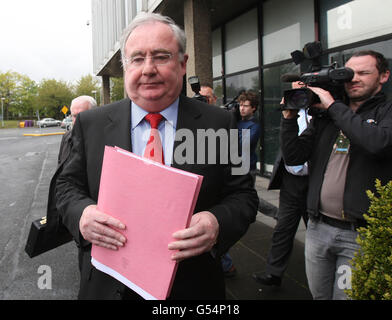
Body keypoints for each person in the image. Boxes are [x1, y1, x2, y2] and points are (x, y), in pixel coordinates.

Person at [56, 12, 258, 300]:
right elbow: (66, 188)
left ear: (183, 63)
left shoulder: (220, 123)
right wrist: (82, 214)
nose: (148, 69)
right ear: (126, 66)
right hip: (106, 285)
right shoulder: (91, 124)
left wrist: (216, 223)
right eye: (137, 59)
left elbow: (244, 197)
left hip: (192, 288)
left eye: (161, 56)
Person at [280, 50, 392, 299]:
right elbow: (294, 157)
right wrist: (289, 118)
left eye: (364, 73)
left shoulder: (385, 112)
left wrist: (334, 105)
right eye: (350, 74)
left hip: (359, 234)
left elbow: (377, 143)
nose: (354, 79)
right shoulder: (327, 117)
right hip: (318, 228)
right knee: (319, 296)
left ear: (383, 76)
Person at [253, 82, 310, 287]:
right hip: (291, 182)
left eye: (300, 90)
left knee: (315, 232)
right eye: (292, 91)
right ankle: (273, 273)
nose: (296, 96)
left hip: (314, 183)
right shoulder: (289, 114)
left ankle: (318, 275)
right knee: (283, 229)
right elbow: (288, 146)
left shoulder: (321, 116)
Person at [45, 96, 97, 266]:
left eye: (81, 115)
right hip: (75, 210)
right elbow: (62, 171)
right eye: (73, 116)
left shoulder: (102, 139)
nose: (76, 120)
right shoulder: (67, 137)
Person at [222, 91, 262, 278]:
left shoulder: (253, 126)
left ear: (253, 108)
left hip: (246, 169)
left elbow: (240, 145)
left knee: (245, 198)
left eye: (246, 105)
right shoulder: (234, 120)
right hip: (232, 167)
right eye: (241, 105)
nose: (242, 108)